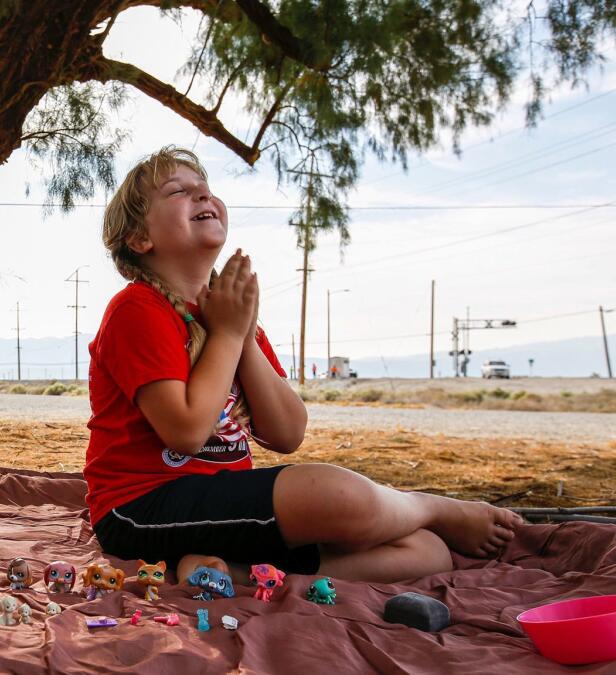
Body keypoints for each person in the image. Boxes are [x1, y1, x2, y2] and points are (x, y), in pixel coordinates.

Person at [85, 146, 523, 584]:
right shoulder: (137, 310)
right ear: (141, 238)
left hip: (224, 512)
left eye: (206, 188)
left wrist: (243, 336)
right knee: (343, 495)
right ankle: (433, 505)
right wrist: (231, 335)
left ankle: (236, 573)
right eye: (179, 191)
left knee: (426, 551)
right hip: (141, 510)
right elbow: (186, 432)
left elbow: (288, 433)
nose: (202, 195)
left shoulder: (229, 316)